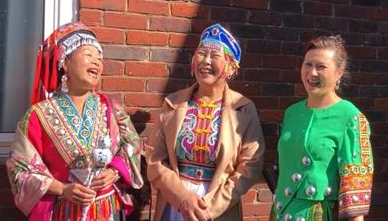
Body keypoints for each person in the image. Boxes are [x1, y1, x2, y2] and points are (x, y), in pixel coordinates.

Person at [5, 22, 144, 220]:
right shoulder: (38, 115)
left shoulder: (112, 108)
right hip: (65, 212)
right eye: (89, 55)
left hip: (108, 210)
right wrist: (63, 188)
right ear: (65, 63)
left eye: (99, 58)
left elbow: (133, 144)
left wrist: (114, 171)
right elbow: (19, 169)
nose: (96, 62)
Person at [146, 23, 266, 221]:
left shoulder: (244, 109)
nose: (206, 61)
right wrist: (182, 198)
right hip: (174, 204)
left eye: (215, 56)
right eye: (201, 54)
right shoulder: (173, 103)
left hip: (219, 208)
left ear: (230, 66)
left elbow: (250, 166)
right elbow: (154, 159)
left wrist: (208, 209)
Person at [270, 35, 373, 221]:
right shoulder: (292, 113)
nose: (312, 73)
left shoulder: (351, 117)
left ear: (339, 73)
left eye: (321, 67)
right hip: (281, 213)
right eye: (308, 64)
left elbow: (355, 196)